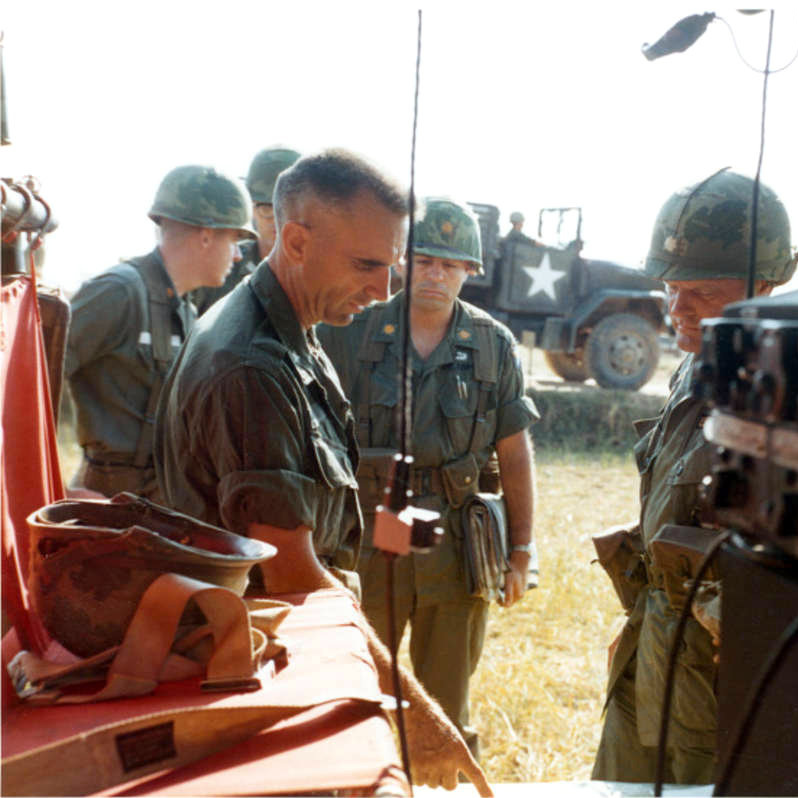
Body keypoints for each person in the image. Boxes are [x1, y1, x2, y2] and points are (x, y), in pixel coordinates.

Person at [153, 150, 492, 795]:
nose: (385, 289)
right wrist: (415, 713)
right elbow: (291, 577)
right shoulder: (252, 364)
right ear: (297, 241)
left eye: (392, 265)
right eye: (368, 264)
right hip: (255, 677)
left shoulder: (289, 333)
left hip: (273, 662)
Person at [591, 168, 798, 784]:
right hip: (657, 639)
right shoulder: (694, 370)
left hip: (723, 663)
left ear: (765, 284)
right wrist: (640, 626)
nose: (676, 309)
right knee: (620, 787)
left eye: (702, 293)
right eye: (670, 288)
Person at [318, 197, 540, 758]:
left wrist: (520, 549)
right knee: (354, 691)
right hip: (371, 539)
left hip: (455, 546)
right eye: (424, 260)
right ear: (402, 260)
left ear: (470, 271)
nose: (435, 274)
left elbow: (515, 453)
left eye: (450, 264)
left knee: (445, 708)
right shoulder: (352, 330)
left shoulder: (492, 346)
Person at [66, 165, 254, 501]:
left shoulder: (185, 312)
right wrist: (55, 490)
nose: (239, 255)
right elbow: (25, 385)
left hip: (157, 500)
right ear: (206, 236)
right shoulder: (119, 292)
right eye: (235, 239)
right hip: (105, 501)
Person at [189, 146, 300, 314]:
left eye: (290, 209)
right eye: (268, 208)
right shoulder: (221, 265)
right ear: (252, 208)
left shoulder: (329, 274)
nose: (279, 221)